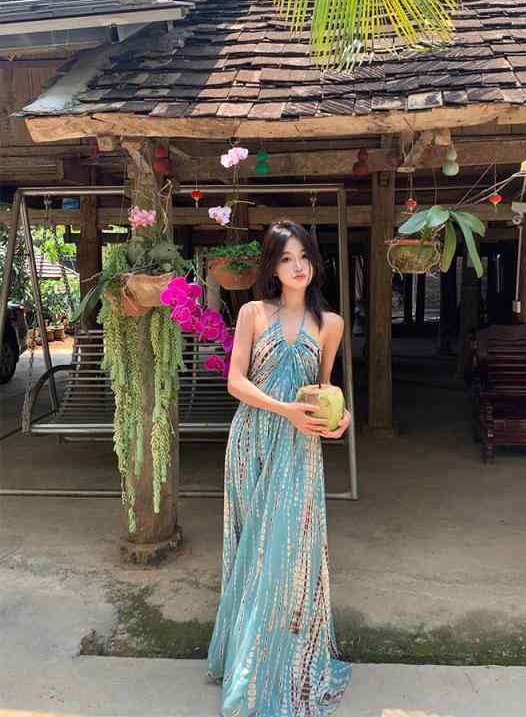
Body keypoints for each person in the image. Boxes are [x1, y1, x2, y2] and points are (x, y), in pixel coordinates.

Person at [207, 220, 353, 716]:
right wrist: (284, 409)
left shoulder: (330, 324)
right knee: (252, 549)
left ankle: (289, 661)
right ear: (272, 266)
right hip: (252, 440)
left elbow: (325, 386)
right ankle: (247, 663)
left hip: (300, 447)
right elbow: (236, 382)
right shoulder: (252, 312)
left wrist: (341, 418)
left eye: (305, 257)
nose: (298, 266)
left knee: (291, 552)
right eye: (287, 258)